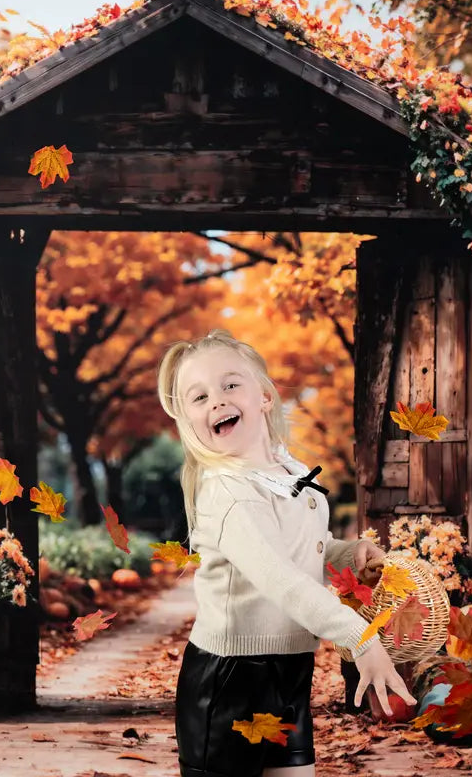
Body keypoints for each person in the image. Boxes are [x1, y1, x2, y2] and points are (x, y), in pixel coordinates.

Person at [157, 329, 415, 777]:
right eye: (198, 398)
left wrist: (348, 553)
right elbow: (282, 581)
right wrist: (360, 636)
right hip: (230, 680)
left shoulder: (286, 471)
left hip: (289, 670)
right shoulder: (228, 493)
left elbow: (304, 550)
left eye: (230, 384)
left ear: (265, 397)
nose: (217, 401)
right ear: (188, 422)